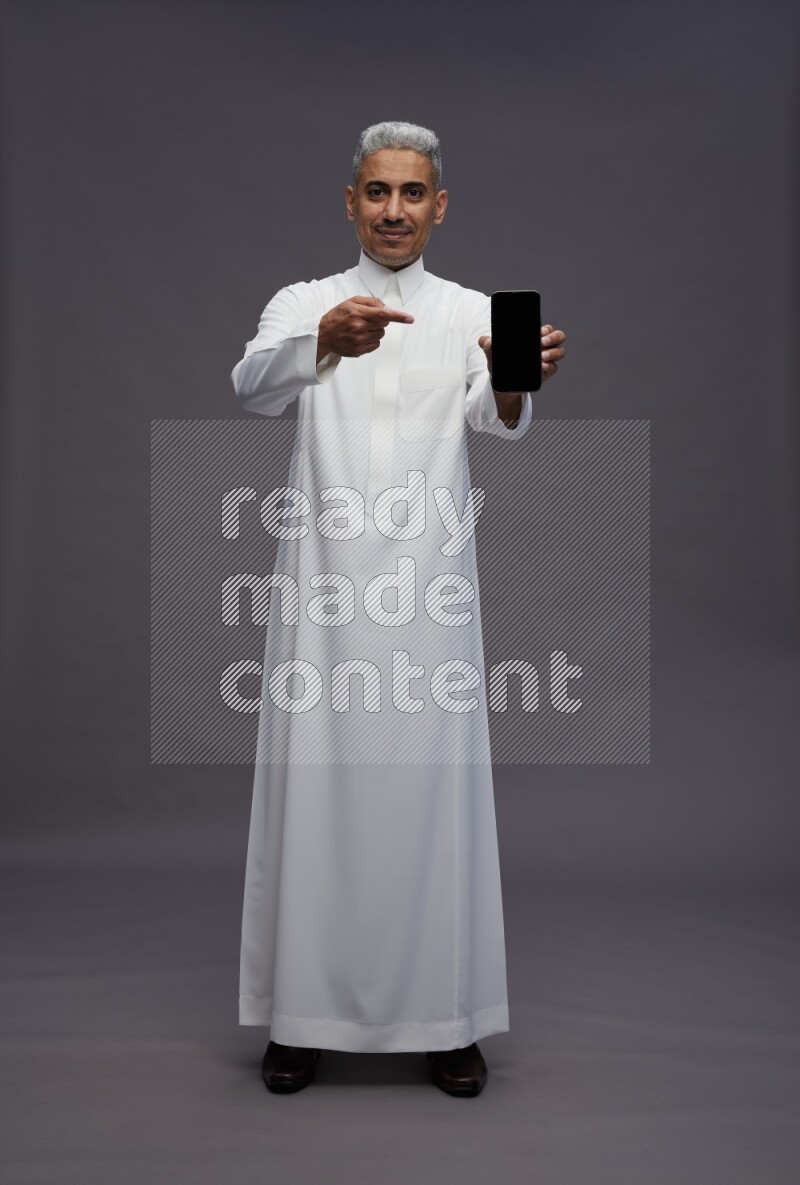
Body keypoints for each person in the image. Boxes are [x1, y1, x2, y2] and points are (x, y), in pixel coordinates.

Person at [231, 121, 566, 1096]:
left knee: (433, 802)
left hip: (424, 591)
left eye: (410, 194)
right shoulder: (304, 300)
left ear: (438, 205)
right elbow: (250, 387)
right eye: (375, 192)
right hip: (323, 596)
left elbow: (491, 422)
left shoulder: (469, 310)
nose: (391, 210)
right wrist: (314, 346)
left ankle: (446, 1020)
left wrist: (514, 379)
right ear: (349, 202)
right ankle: (300, 1017)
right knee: (313, 796)